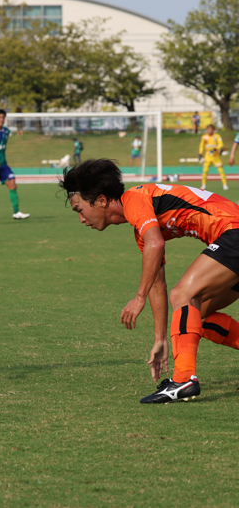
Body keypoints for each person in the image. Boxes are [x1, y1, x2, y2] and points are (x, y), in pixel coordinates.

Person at [60, 159, 239, 403]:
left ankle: (184, 379)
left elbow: (157, 244)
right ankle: (183, 376)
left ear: (101, 200)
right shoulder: (142, 226)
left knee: (182, 296)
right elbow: (157, 282)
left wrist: (138, 298)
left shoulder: (134, 200)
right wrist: (160, 339)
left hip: (235, 231)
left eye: (79, 210)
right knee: (192, 317)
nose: (81, 219)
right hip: (233, 235)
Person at [0, 109, 30, 221]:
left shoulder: (7, 132)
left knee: (12, 184)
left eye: (3, 117)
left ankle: (16, 212)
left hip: (3, 165)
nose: (1, 119)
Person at [199, 124, 227, 191]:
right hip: (208, 156)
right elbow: (201, 145)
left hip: (216, 156)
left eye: (211, 129)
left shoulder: (217, 136)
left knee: (221, 170)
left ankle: (225, 184)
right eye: (208, 129)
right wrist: (200, 154)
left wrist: (215, 149)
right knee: (205, 171)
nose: (210, 130)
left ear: (213, 130)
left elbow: (221, 144)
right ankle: (203, 184)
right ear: (207, 130)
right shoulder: (204, 137)